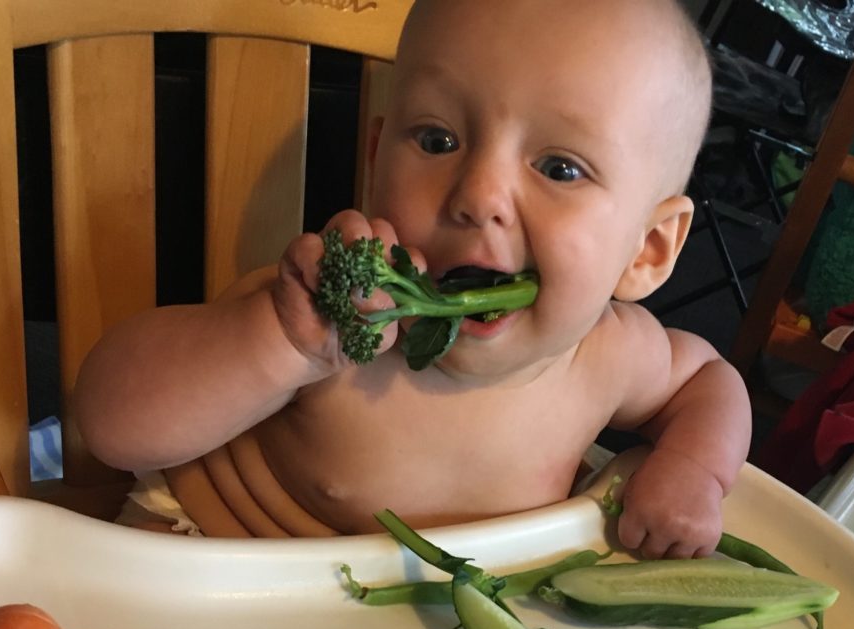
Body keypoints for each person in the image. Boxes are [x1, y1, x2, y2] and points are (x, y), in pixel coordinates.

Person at [74, 0, 752, 559]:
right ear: (376, 162)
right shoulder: (329, 325)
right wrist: (277, 343)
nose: (478, 193)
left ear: (648, 249)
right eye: (437, 140)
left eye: (560, 168)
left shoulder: (614, 357)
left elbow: (708, 383)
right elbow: (111, 423)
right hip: (199, 574)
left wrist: (695, 469)